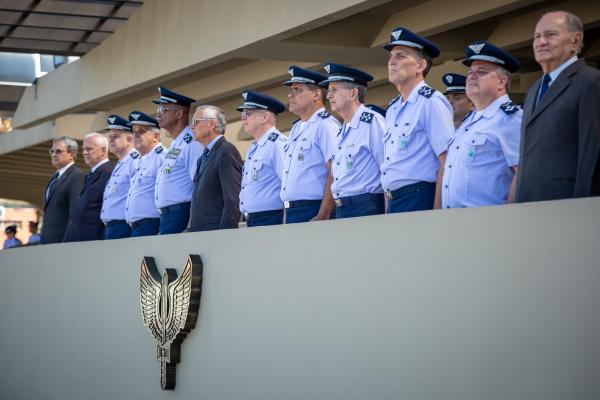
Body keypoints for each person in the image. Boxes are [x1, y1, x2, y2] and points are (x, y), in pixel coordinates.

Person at [517, 11, 600, 202]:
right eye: (537, 36)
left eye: (551, 34)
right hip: (530, 205)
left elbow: (592, 155)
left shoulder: (590, 82)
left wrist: (583, 207)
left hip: (568, 206)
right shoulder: (534, 90)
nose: (541, 42)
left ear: (575, 40)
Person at [380, 27, 454, 213]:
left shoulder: (431, 102)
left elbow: (447, 159)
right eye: (390, 57)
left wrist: (438, 208)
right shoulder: (393, 108)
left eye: (400, 56)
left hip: (419, 196)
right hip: (395, 199)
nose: (392, 62)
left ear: (420, 66)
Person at [441, 41, 522, 208]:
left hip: (488, 223)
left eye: (481, 72)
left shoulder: (510, 118)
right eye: (470, 72)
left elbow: (522, 173)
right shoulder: (468, 123)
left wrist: (512, 217)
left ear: (502, 82)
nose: (471, 76)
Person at [321, 63, 385, 219]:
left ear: (353, 93)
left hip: (366, 206)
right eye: (329, 91)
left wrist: (388, 214)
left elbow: (386, 167)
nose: (329, 96)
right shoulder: (341, 131)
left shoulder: (372, 122)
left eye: (334, 90)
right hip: (342, 208)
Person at [280, 66, 340, 223]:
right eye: (291, 90)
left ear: (316, 94)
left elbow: (334, 171)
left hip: (314, 209)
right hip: (293, 210)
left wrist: (323, 213)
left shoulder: (326, 125)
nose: (290, 95)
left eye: (297, 90)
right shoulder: (295, 128)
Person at [153, 86, 204, 234]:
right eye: (158, 110)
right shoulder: (176, 142)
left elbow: (199, 184)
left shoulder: (191, 142)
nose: (158, 115)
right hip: (168, 215)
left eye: (164, 110)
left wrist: (191, 221)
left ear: (179, 114)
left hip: (181, 214)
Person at [188, 105, 242, 232]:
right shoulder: (202, 157)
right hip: (201, 232)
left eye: (195, 122)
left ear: (211, 124)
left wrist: (224, 235)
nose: (192, 126)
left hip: (216, 233)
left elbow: (232, 199)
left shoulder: (226, 151)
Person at [238, 90, 288, 227]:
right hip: (252, 218)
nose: (243, 118)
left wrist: (286, 220)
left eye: (248, 113)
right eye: (243, 114)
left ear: (265, 117)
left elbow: (287, 184)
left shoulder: (277, 144)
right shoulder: (253, 147)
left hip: (271, 218)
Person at [63, 133, 114, 242]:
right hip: (78, 242)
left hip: (93, 242)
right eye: (84, 149)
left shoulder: (110, 173)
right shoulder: (91, 174)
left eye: (89, 149)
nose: (85, 152)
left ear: (103, 150)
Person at [126, 111, 165, 237]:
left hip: (151, 224)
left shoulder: (161, 157)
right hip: (136, 226)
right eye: (134, 131)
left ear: (156, 136)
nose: (135, 135)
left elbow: (166, 192)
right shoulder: (140, 160)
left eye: (141, 131)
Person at [100, 115, 139, 239]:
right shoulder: (121, 162)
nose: (110, 141)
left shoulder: (135, 161)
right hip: (111, 226)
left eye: (115, 137)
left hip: (123, 226)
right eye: (110, 137)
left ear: (129, 139)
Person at [41, 136, 85, 244]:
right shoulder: (54, 177)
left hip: (62, 243)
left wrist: (66, 242)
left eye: (58, 151)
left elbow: (74, 215)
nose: (54, 154)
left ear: (72, 154)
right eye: (52, 151)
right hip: (47, 241)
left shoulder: (77, 176)